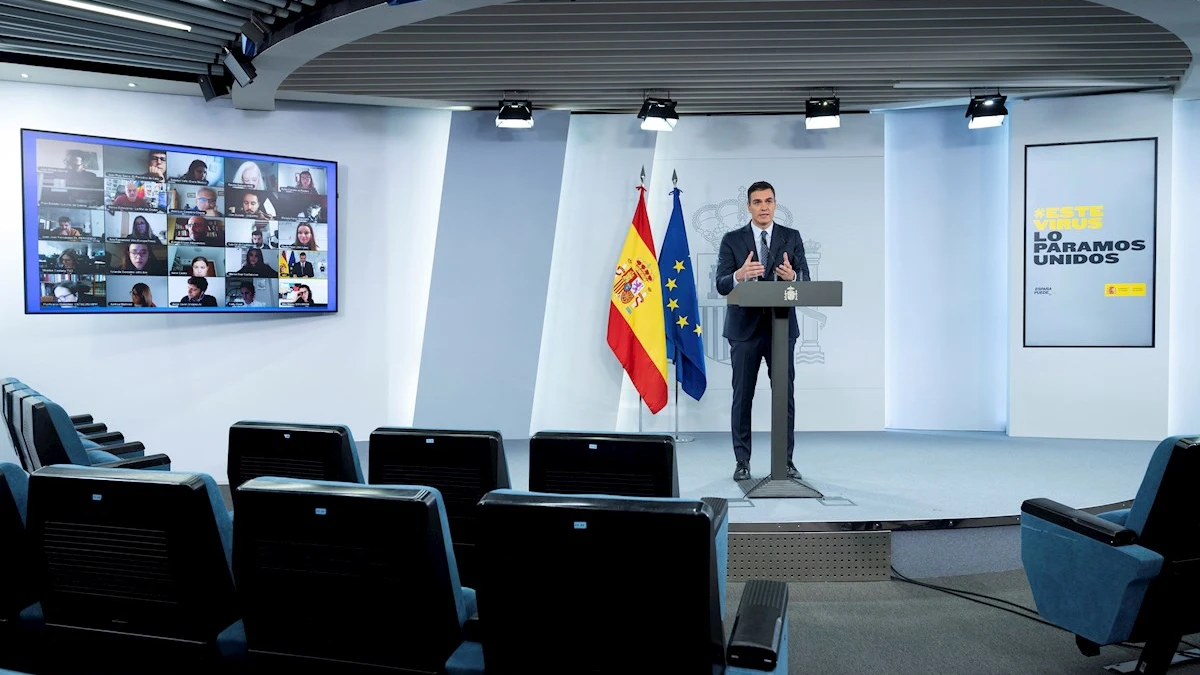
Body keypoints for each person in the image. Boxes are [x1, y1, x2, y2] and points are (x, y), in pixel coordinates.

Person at [715, 181, 810, 482]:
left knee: (785, 396)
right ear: (749, 206)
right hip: (744, 330)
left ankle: (786, 461)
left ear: (775, 203)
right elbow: (721, 284)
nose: (764, 207)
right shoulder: (732, 240)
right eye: (757, 202)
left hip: (781, 328)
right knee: (742, 396)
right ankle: (742, 461)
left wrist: (793, 276)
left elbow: (806, 280)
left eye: (769, 201)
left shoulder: (791, 237)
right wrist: (738, 275)